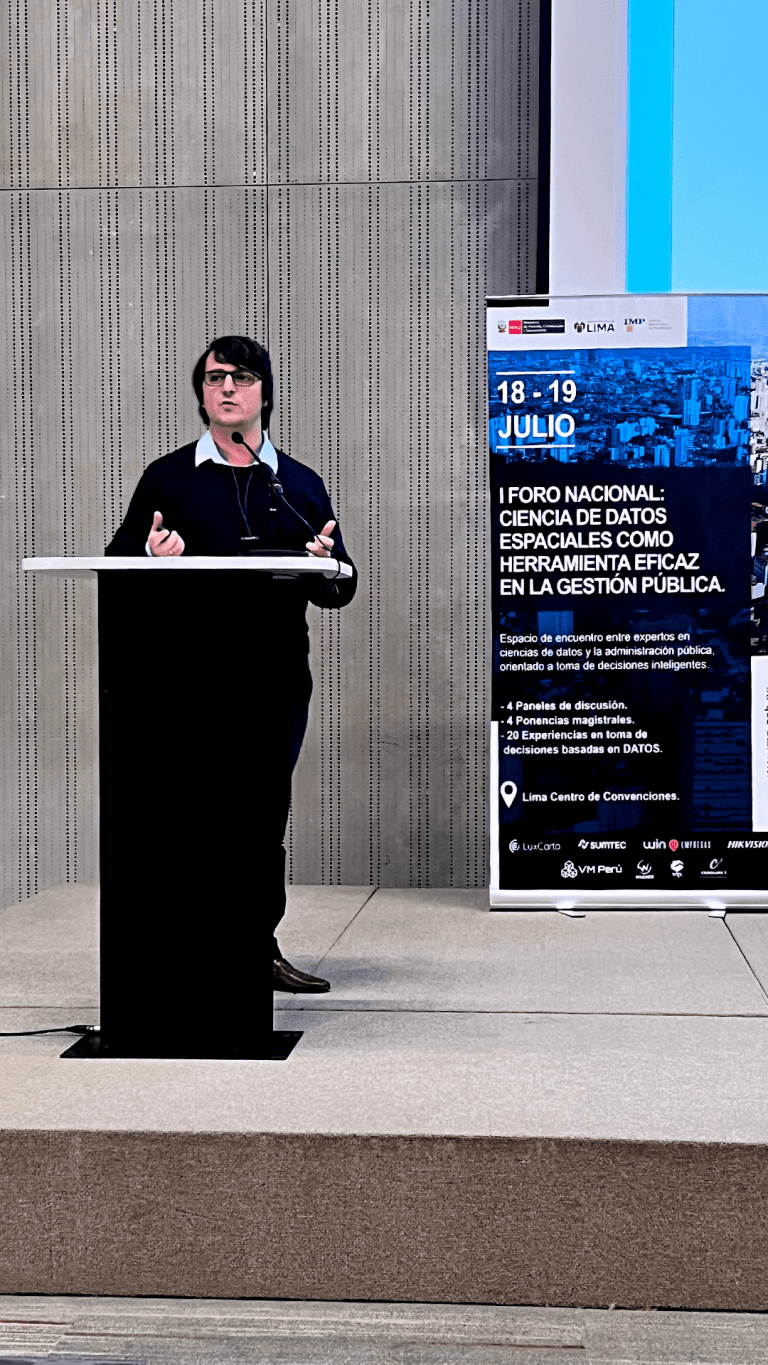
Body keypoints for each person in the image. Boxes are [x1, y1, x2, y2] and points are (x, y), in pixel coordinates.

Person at [105, 336, 357, 994]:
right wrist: (150, 557)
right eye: (215, 377)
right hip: (186, 684)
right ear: (201, 392)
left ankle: (255, 950)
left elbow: (341, 585)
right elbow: (117, 561)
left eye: (241, 377)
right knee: (192, 817)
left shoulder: (297, 483)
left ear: (264, 393)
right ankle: (191, 952)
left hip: (273, 684)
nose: (226, 388)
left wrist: (323, 564)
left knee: (259, 818)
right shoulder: (169, 478)